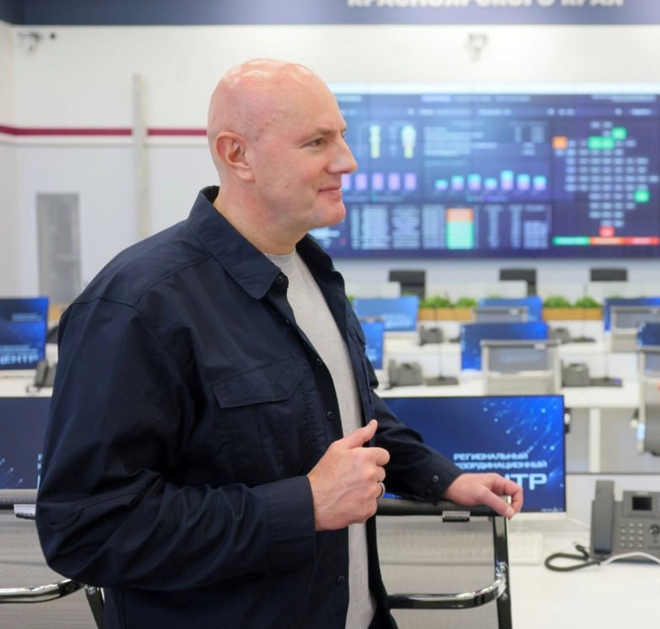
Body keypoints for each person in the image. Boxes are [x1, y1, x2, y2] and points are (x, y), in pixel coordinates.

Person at [35, 59, 524, 629]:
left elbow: (348, 414)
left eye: (341, 136)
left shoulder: (312, 271)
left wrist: (441, 477)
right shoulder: (138, 306)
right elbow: (86, 528)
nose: (347, 161)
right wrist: (304, 506)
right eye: (317, 142)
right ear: (237, 155)